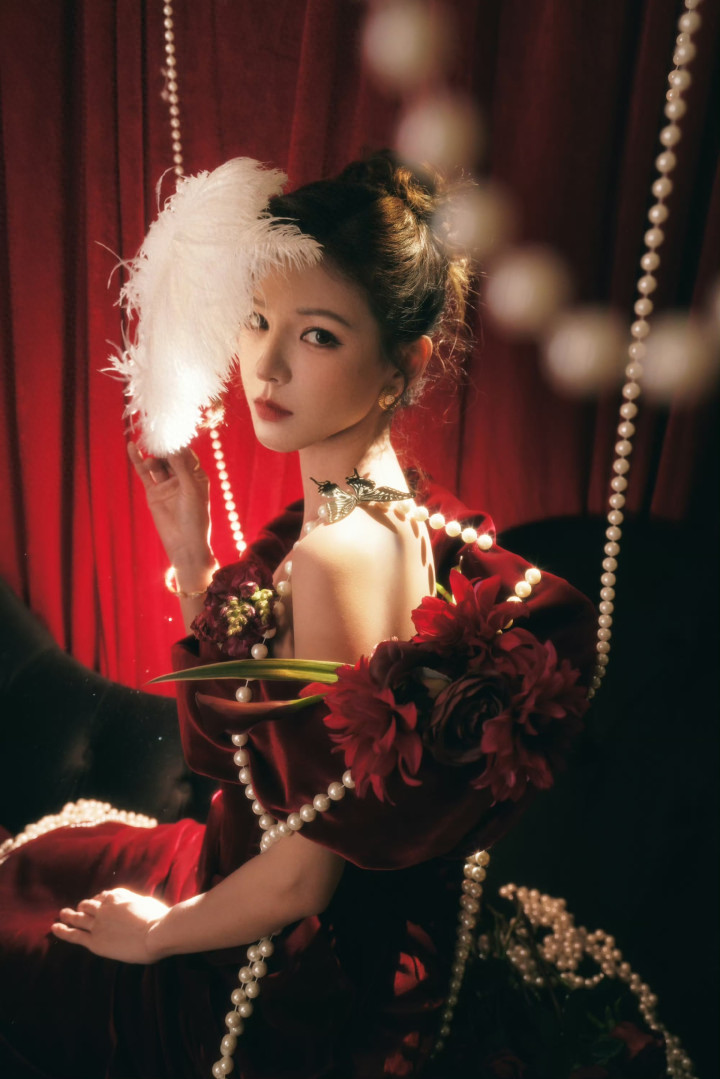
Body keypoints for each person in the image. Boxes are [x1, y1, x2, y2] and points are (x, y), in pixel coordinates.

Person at [0, 152, 596, 1078]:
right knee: (40, 870)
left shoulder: (335, 555)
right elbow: (280, 734)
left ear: (404, 363)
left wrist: (156, 934)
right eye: (257, 319)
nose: (266, 365)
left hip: (269, 968)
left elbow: (306, 875)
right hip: (243, 871)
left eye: (317, 335)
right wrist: (192, 553)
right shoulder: (377, 499)